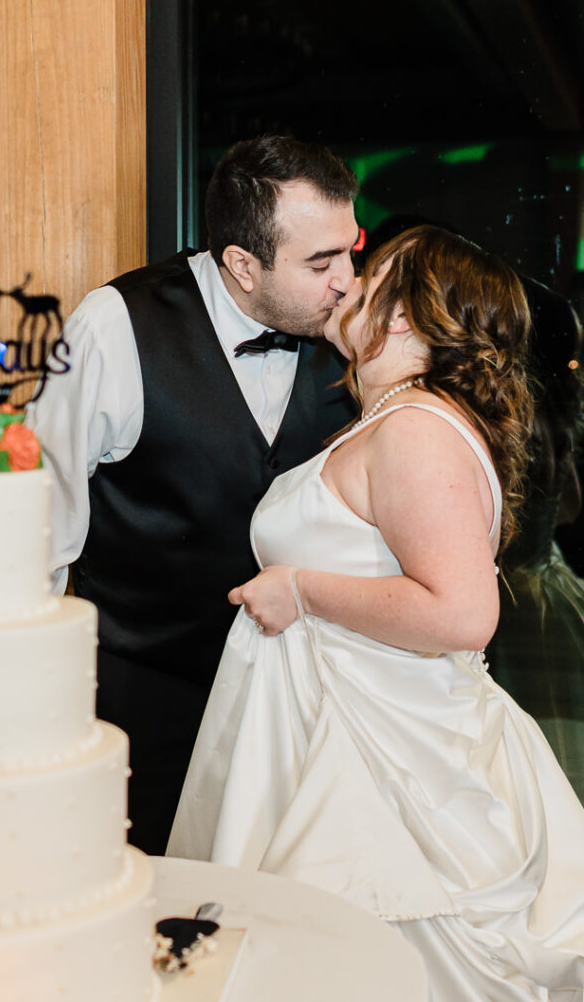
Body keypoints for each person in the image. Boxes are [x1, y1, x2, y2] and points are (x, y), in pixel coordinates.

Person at [168, 226, 584, 999]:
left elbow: (462, 614)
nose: (346, 282)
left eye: (369, 272)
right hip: (337, 727)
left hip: (380, 771)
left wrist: (299, 589)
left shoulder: (416, 429)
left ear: (398, 316)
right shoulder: (396, 418)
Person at [26, 134, 359, 854]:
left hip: (304, 693)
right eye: (321, 262)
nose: (348, 282)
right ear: (241, 264)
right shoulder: (115, 328)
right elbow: (41, 521)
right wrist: (40, 694)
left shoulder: (352, 335)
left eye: (350, 253)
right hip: (148, 689)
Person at [485, 277, 584, 801]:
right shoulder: (561, 422)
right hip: (550, 579)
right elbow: (571, 507)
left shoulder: (504, 421)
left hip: (509, 597)